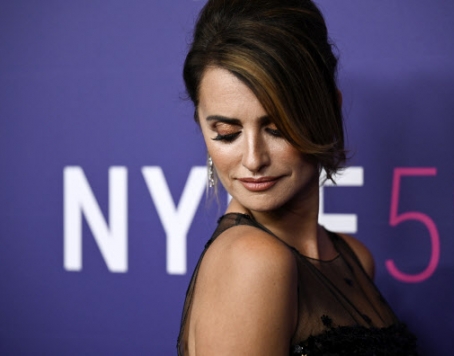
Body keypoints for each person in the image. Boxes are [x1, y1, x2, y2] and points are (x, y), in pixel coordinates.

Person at [177, 0, 418, 354]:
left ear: (330, 110)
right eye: (227, 133)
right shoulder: (251, 260)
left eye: (277, 128)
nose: (254, 159)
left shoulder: (353, 256)